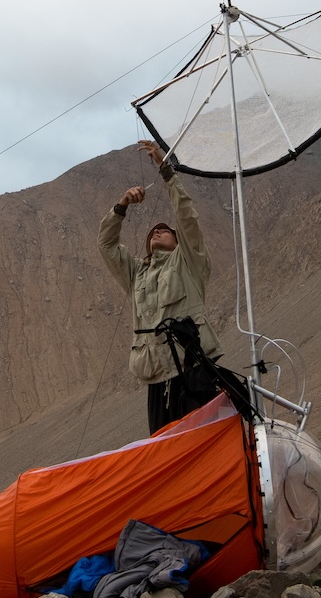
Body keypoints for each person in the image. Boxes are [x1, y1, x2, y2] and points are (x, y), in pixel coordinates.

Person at [99, 140, 243, 431]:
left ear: (178, 242)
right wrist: (121, 206)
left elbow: (187, 218)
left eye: (165, 230)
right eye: (153, 232)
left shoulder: (188, 261)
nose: (157, 231)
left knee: (201, 442)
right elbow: (106, 245)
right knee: (166, 448)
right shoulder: (137, 274)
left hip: (194, 371)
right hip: (157, 381)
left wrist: (166, 172)